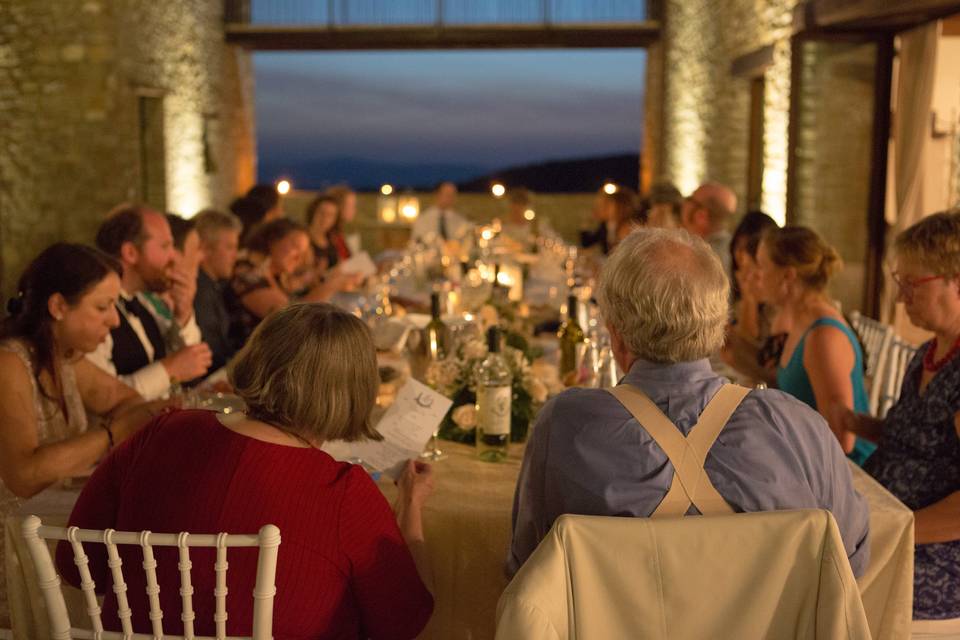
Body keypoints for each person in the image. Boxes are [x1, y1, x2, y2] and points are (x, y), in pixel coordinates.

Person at [58, 303, 435, 638]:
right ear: (353, 393)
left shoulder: (162, 431)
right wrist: (411, 507)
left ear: (257, 357)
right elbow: (403, 622)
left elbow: (76, 566)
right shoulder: (344, 493)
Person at [509, 228, 869, 578]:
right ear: (718, 327)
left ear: (616, 335)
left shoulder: (565, 425)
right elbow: (847, 561)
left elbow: (528, 567)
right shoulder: (798, 428)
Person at [0, 243, 171, 623]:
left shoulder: (65, 357)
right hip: (11, 550)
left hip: (49, 532)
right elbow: (24, 476)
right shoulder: (11, 363)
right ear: (59, 307)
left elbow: (126, 400)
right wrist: (112, 434)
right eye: (102, 307)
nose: (114, 320)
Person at [841, 211, 960, 630]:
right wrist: (845, 421)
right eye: (900, 283)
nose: (900, 298)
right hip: (888, 525)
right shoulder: (924, 356)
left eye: (912, 284)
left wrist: (890, 531)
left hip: (934, 558)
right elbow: (908, 436)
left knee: (814, 585)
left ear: (956, 280)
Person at [754, 225, 874, 465]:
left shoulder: (824, 336)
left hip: (848, 472)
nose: (756, 275)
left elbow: (842, 439)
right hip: (811, 459)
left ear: (788, 275)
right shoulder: (800, 319)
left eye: (762, 266)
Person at [88, 205, 212, 400]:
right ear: (130, 253)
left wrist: (184, 312)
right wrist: (170, 370)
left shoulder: (143, 302)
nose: (173, 256)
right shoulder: (93, 313)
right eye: (165, 246)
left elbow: (191, 362)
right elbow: (102, 397)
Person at [228, 218, 349, 346]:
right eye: (296, 247)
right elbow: (291, 318)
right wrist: (332, 285)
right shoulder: (247, 273)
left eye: (303, 252)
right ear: (273, 240)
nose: (299, 258)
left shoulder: (277, 275)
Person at [720, 211, 779, 385]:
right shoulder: (738, 292)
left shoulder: (777, 304)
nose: (741, 258)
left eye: (748, 250)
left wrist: (749, 295)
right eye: (738, 248)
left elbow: (748, 349)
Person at [193, 209, 243, 373]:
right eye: (230, 247)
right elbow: (212, 348)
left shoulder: (214, 285)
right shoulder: (199, 290)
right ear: (206, 249)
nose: (235, 256)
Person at [681, 182, 737, 274]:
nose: (683, 204)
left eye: (690, 199)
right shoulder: (731, 250)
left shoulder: (701, 258)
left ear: (701, 216)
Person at [305, 194, 342, 270]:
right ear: (313, 212)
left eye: (330, 215)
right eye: (321, 212)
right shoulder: (303, 239)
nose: (325, 218)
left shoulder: (333, 239)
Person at [325, 184, 358, 260]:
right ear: (339, 206)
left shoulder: (340, 234)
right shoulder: (329, 236)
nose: (354, 210)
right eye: (351, 205)